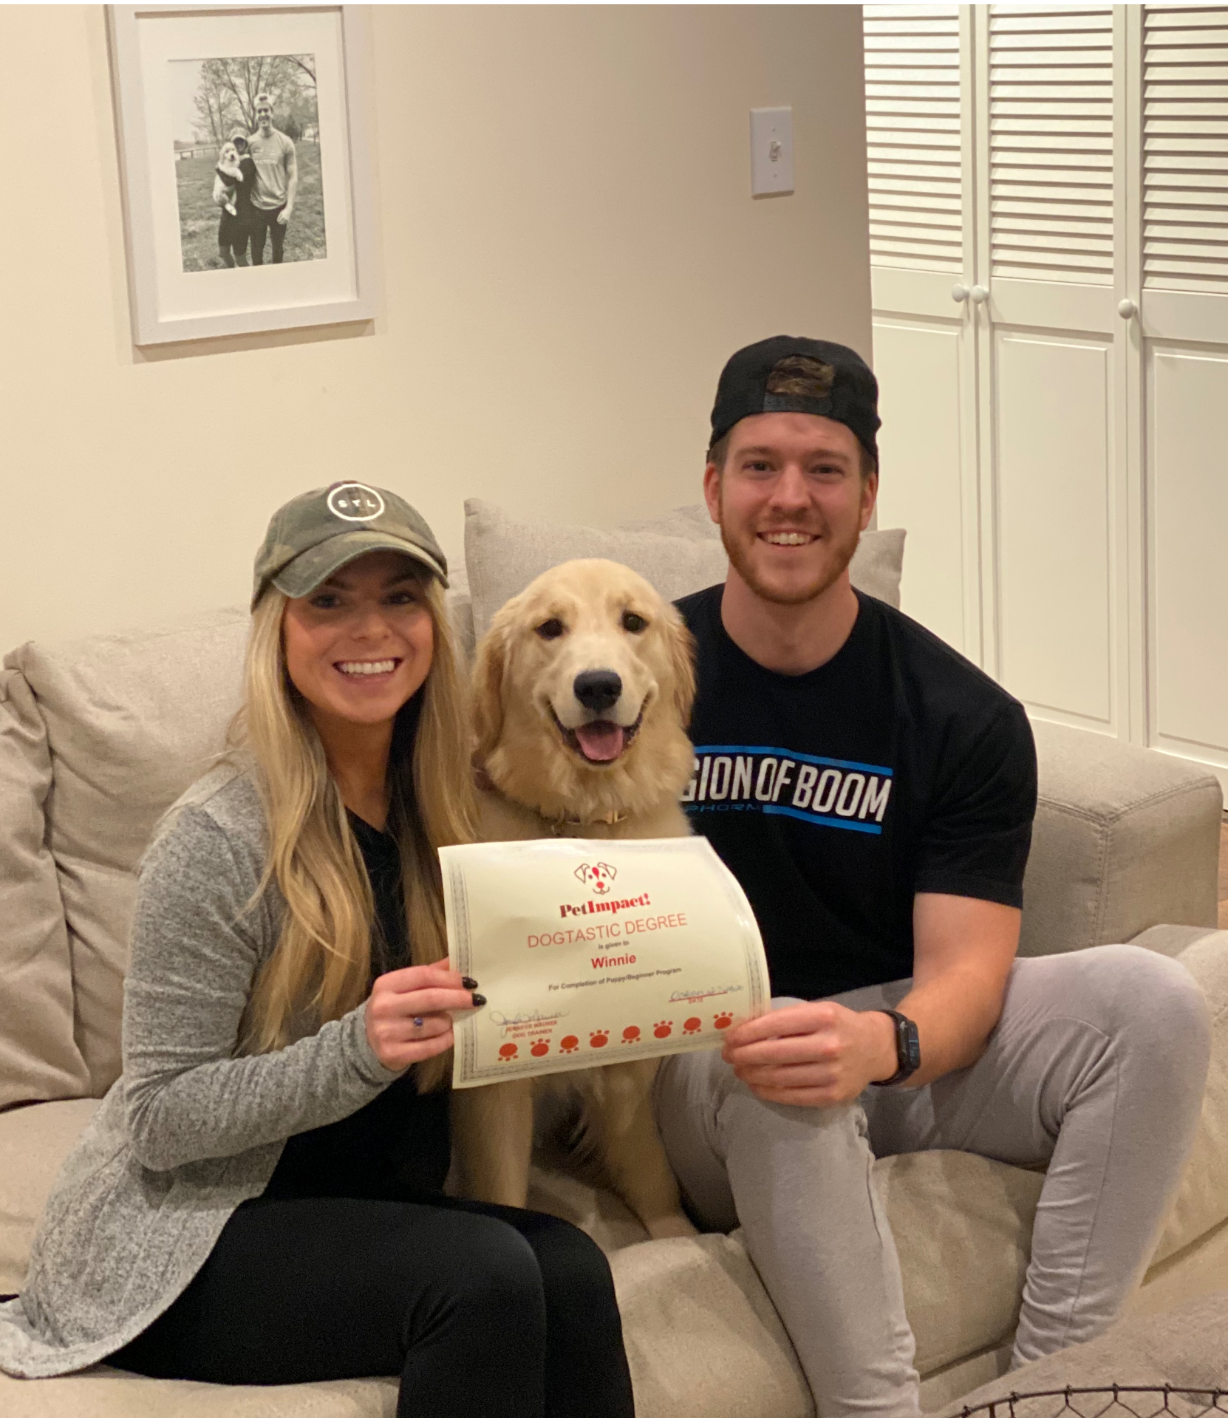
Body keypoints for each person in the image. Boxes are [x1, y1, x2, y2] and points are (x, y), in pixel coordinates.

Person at [654, 336, 1213, 1418]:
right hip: (704, 1060)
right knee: (782, 1048)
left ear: (867, 498)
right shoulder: (633, 673)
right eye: (760, 464)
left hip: (881, 1040)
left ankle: (1054, 1391)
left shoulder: (958, 715)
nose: (790, 498)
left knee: (1153, 1002)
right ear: (713, 486)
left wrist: (883, 1041)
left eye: (824, 469)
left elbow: (964, 973)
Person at [0, 481, 635, 1418]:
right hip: (193, 1234)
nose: (367, 628)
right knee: (486, 1279)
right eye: (328, 601)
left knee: (572, 1266)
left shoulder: (449, 811)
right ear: (278, 631)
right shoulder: (216, 837)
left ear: (433, 623)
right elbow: (161, 1118)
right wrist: (357, 1050)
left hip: (360, 1205)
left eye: (399, 596)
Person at [246, 92, 297, 265]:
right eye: (259, 111)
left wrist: (289, 208)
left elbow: (292, 176)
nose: (262, 114)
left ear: (272, 112)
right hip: (257, 209)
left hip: (279, 208)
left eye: (266, 110)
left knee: (277, 251)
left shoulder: (286, 142)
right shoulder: (250, 143)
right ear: (256, 115)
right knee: (256, 253)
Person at [213, 128, 255, 268]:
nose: (238, 145)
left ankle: (248, 283)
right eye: (235, 142)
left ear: (246, 143)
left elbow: (229, 181)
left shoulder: (248, 163)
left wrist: (218, 168)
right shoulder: (231, 162)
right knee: (223, 251)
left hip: (242, 217)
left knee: (239, 256)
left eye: (241, 141)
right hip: (227, 213)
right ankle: (232, 275)